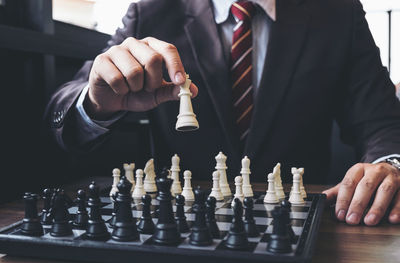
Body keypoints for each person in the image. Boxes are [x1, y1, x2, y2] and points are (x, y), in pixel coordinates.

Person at [45, 0, 400, 226]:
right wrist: (95, 103)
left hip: (301, 224)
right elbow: (63, 109)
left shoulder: (338, 12)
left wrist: (391, 164)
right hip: (181, 229)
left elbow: (383, 121)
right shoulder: (151, 10)